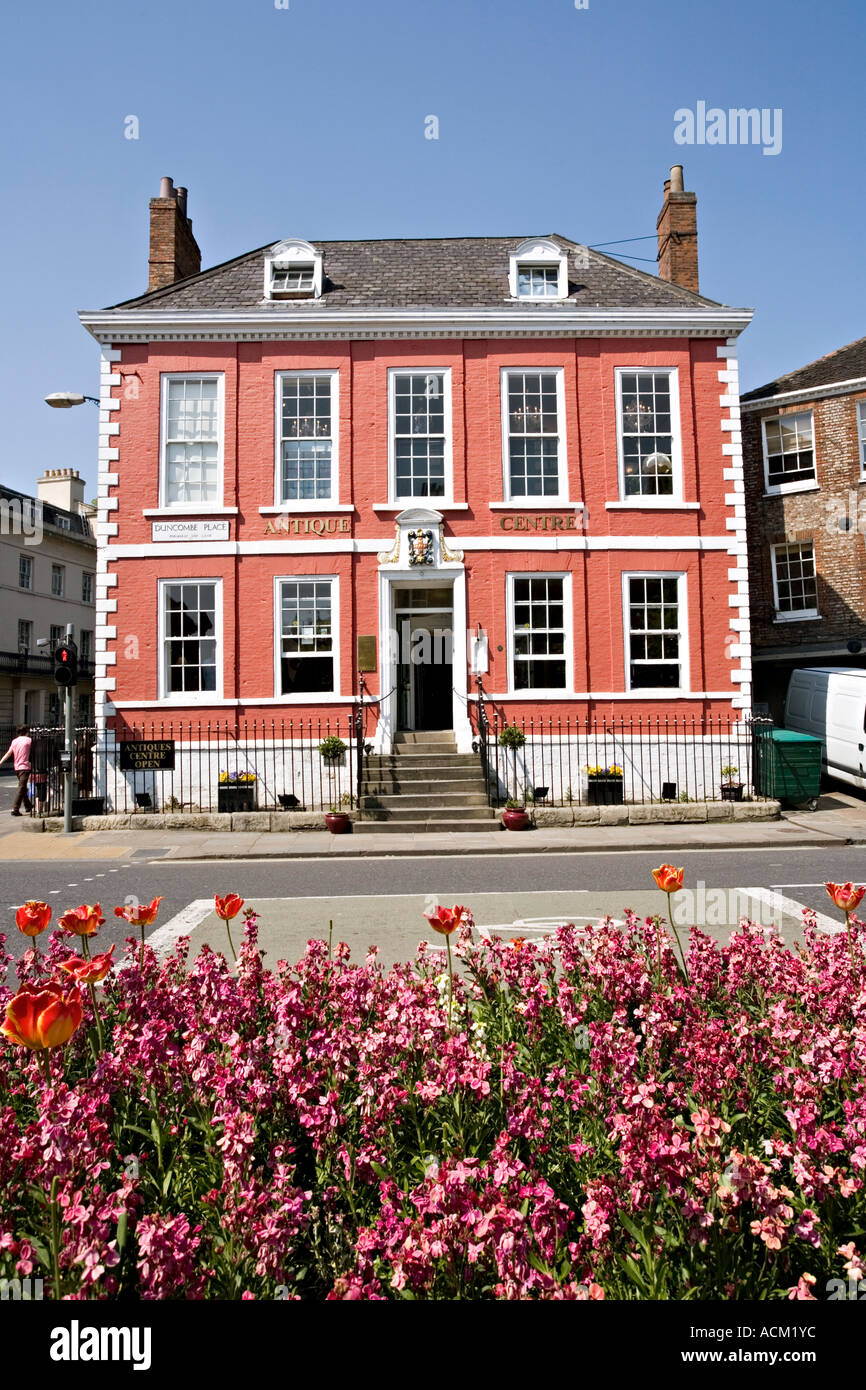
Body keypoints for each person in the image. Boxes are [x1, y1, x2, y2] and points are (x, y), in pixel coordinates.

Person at [0, 725, 33, 816]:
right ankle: (15, 809)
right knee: (21, 788)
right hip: (25, 767)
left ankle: (28, 806)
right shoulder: (29, 740)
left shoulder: (14, 741)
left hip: (17, 767)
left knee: (23, 787)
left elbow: (8, 753)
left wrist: (1, 762)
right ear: (26, 731)